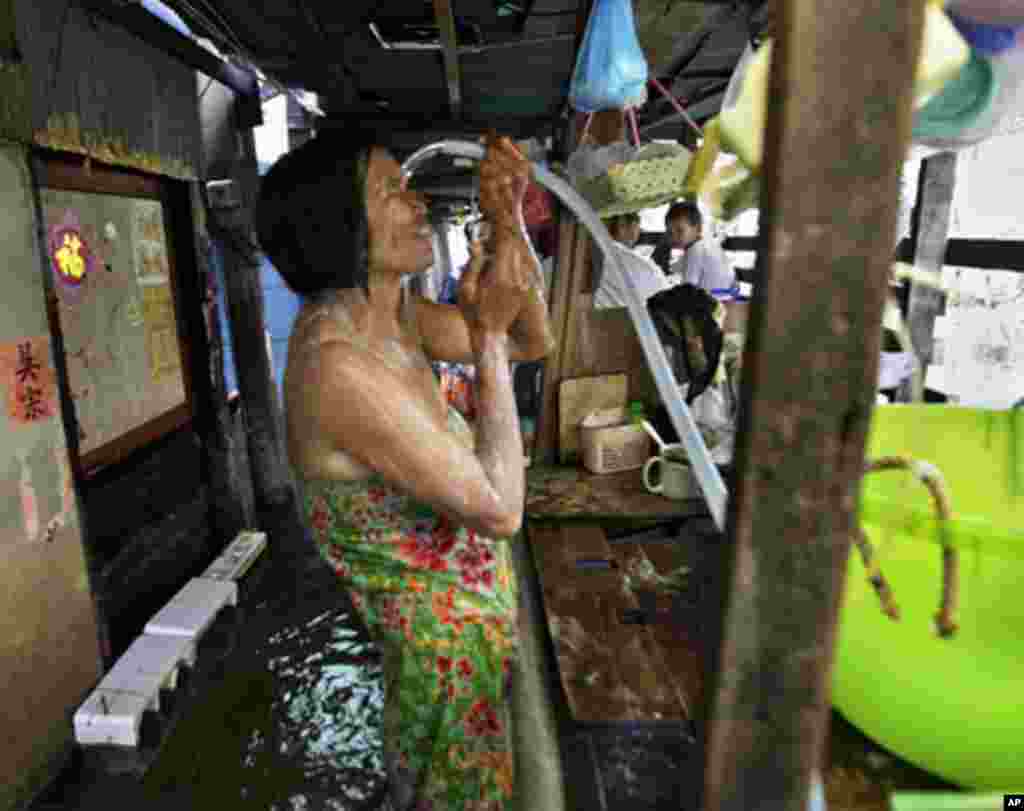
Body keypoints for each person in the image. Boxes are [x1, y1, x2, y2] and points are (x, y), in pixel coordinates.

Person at [257, 128, 554, 810]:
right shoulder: (335, 364)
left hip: (471, 649)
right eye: (392, 190)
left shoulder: (398, 319)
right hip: (441, 674)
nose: (417, 202)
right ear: (340, 228)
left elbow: (534, 338)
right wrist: (482, 336)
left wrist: (509, 222)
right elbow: (501, 506)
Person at [593, 211, 671, 309]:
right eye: (638, 228)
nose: (638, 233)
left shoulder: (596, 249)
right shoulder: (640, 265)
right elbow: (663, 291)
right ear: (623, 226)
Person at [664, 200, 736, 294]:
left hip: (716, 300)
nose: (674, 237)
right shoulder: (707, 243)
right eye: (670, 232)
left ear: (698, 229)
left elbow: (688, 287)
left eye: (680, 231)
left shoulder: (694, 251)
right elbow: (678, 267)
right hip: (730, 293)